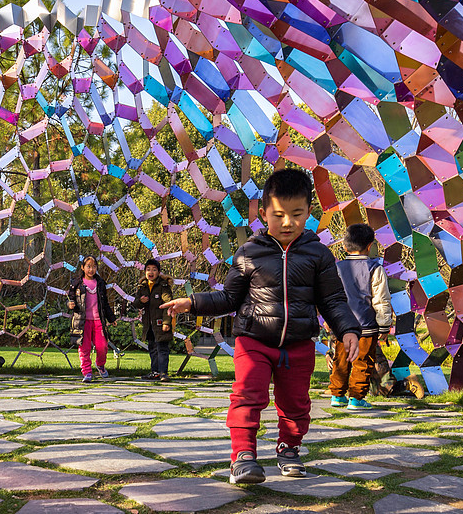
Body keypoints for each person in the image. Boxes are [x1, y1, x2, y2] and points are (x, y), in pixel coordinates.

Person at [162, 168, 361, 484]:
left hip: (298, 344)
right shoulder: (249, 252)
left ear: (309, 211)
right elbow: (228, 297)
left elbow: (333, 300)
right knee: (247, 394)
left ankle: (289, 448)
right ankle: (243, 456)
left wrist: (348, 329)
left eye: (297, 214)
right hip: (253, 340)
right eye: (279, 215)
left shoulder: (319, 255)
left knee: (296, 404)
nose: (287, 222)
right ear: (264, 213)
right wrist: (193, 302)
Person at [328, 222, 394, 410]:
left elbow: (330, 297)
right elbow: (381, 299)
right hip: (366, 326)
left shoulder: (337, 268)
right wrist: (384, 325)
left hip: (341, 325)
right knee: (363, 362)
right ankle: (356, 399)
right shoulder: (375, 268)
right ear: (370, 245)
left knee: (340, 361)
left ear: (344, 246)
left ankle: (337, 395)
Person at [67, 255, 116, 383]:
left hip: (98, 320)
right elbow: (70, 299)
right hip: (82, 321)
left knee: (102, 346)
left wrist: (111, 318)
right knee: (84, 348)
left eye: (94, 267)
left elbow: (105, 303)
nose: (91, 269)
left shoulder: (100, 283)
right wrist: (70, 304)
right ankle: (87, 372)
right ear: (82, 267)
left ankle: (100, 364)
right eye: (88, 266)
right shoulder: (77, 284)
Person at [133, 258, 174, 381]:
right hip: (149, 324)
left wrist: (166, 322)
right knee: (152, 348)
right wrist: (141, 301)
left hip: (160, 323)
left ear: (159, 272)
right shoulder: (142, 286)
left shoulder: (163, 286)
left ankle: (163, 373)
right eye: (148, 269)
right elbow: (135, 303)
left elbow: (168, 304)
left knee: (162, 348)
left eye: (154, 270)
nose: (151, 272)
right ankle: (155, 372)